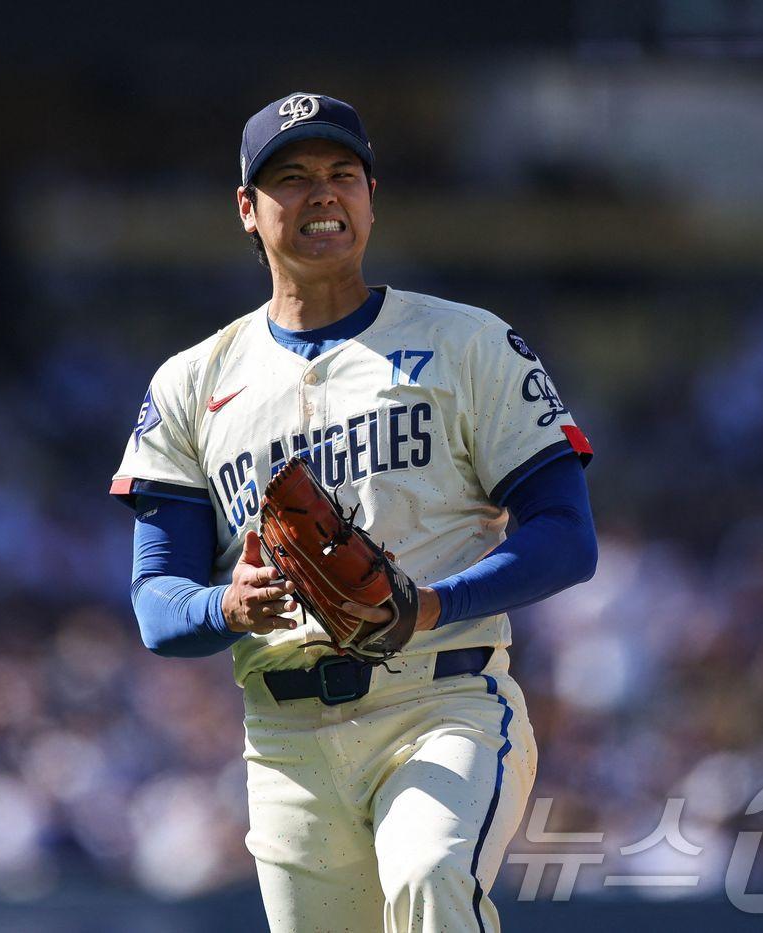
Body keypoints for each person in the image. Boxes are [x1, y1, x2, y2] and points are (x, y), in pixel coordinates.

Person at [108, 91, 598, 933]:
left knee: (431, 872)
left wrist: (434, 604)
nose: (321, 194)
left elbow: (566, 535)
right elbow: (157, 600)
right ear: (247, 211)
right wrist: (228, 605)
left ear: (372, 197)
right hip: (288, 738)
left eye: (342, 174)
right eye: (291, 179)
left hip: (440, 698)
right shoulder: (190, 382)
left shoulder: (469, 342)